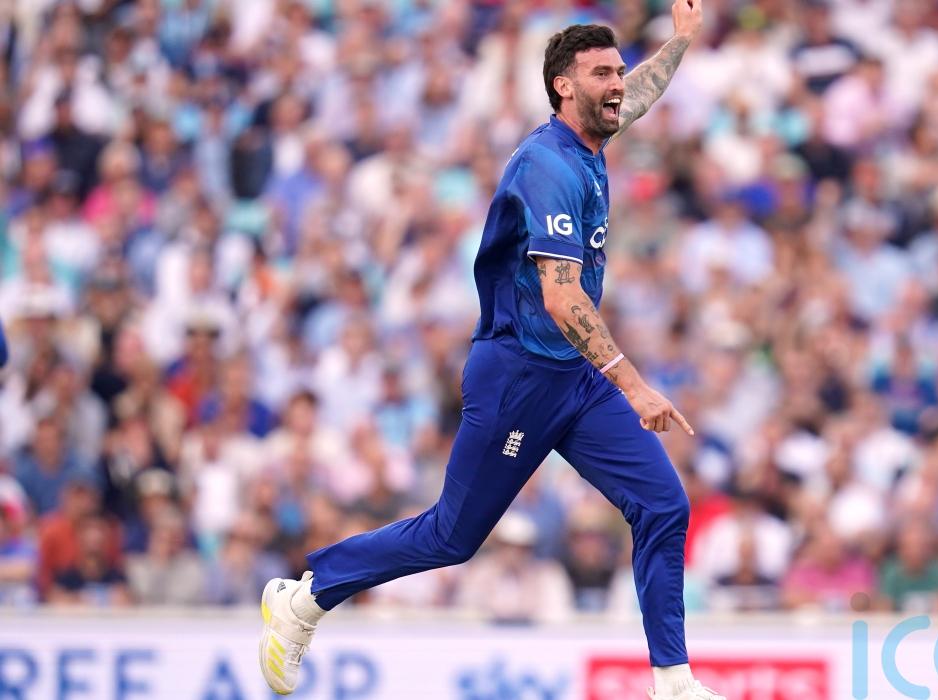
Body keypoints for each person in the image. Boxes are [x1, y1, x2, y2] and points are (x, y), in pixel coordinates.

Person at [257, 4, 726, 700]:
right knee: (452, 536)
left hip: (573, 375)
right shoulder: (547, 166)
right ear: (563, 86)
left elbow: (637, 97)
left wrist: (680, 41)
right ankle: (306, 596)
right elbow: (562, 297)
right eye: (602, 74)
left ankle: (674, 682)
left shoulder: (591, 135)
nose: (617, 85)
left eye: (619, 71)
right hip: (518, 376)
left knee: (663, 505)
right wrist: (634, 386)